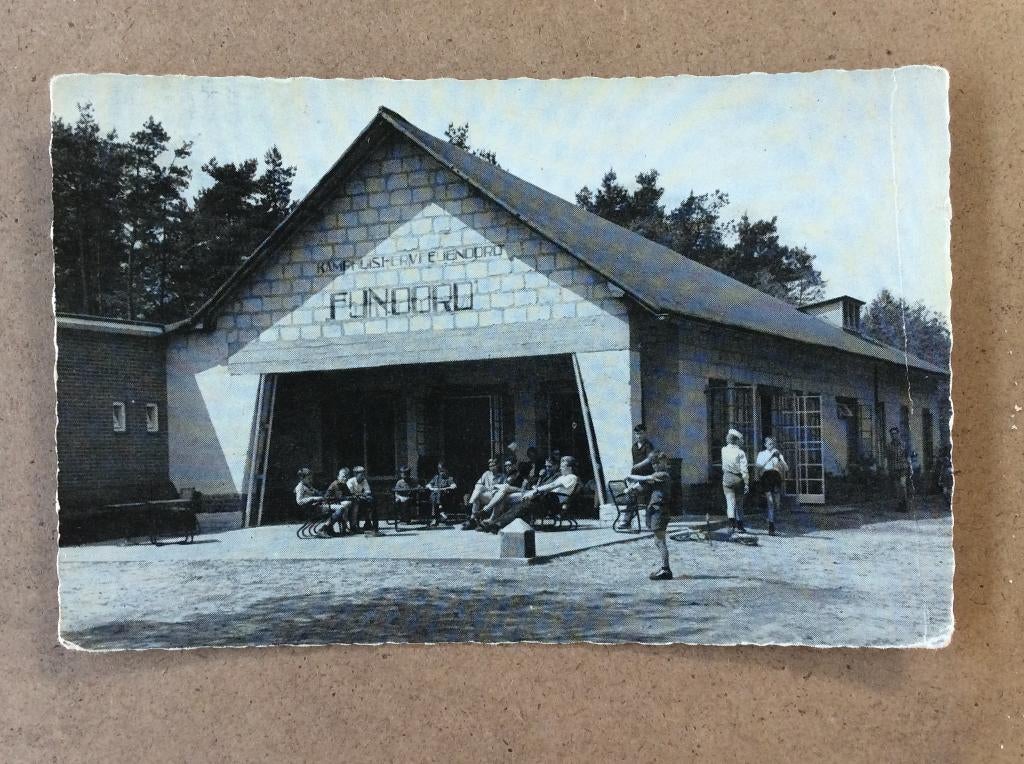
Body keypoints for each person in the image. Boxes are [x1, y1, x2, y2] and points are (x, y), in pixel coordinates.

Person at [479, 455, 580, 533]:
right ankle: (496, 524)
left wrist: (535, 491)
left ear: (570, 468)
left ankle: (496, 524)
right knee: (520, 507)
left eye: (563, 466)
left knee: (522, 507)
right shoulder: (562, 477)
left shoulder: (571, 477)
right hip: (548, 499)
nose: (561, 468)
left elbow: (552, 485)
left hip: (553, 503)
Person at [627, 451, 673, 580]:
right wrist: (632, 489)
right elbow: (644, 486)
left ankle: (666, 570)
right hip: (656, 510)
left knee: (660, 540)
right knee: (658, 541)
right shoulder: (657, 476)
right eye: (653, 463)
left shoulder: (663, 475)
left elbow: (646, 478)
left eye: (657, 463)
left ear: (663, 462)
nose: (655, 466)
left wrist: (630, 476)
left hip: (660, 510)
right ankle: (665, 568)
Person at [617, 423, 655, 530]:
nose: (639, 436)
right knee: (630, 494)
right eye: (637, 434)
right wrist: (632, 476)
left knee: (641, 496)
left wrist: (638, 466)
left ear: (645, 434)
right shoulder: (634, 446)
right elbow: (635, 462)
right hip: (636, 477)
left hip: (647, 479)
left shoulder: (648, 445)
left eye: (641, 433)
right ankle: (626, 521)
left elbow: (649, 460)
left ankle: (648, 523)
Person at [755, 437, 788, 536]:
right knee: (770, 502)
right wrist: (769, 458)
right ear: (765, 445)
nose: (772, 445)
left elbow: (786, 468)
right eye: (769, 444)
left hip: (776, 477)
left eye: (773, 444)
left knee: (777, 503)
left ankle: (771, 519)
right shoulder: (762, 454)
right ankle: (771, 526)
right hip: (766, 477)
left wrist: (779, 459)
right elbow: (758, 467)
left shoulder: (778, 454)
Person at [463, 458, 507, 529]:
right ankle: (473, 519)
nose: (491, 467)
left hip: (496, 496)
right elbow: (479, 483)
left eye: (493, 465)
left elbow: (504, 488)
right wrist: (483, 488)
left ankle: (472, 512)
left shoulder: (502, 476)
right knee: (478, 491)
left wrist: (496, 488)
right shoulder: (486, 474)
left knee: (480, 492)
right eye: (490, 466)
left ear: (497, 466)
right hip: (487, 495)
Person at [721, 428, 750, 533]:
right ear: (737, 440)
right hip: (738, 478)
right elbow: (744, 469)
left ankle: (732, 526)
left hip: (727, 477)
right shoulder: (740, 452)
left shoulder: (723, 450)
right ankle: (740, 526)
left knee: (730, 503)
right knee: (739, 504)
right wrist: (746, 483)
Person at [322, 467, 356, 536]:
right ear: (338, 477)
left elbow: (348, 494)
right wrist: (349, 498)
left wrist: (354, 496)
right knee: (346, 504)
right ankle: (345, 527)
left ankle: (350, 527)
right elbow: (340, 497)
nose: (345, 478)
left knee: (352, 504)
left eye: (346, 476)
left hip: (335, 503)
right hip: (327, 504)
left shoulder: (343, 484)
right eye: (343, 476)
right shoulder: (336, 484)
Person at [885, 427, 911, 511]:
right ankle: (900, 504)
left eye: (895, 433)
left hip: (903, 468)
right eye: (892, 434)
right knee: (897, 488)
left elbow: (907, 456)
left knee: (903, 485)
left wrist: (910, 467)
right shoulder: (889, 446)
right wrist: (887, 468)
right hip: (894, 468)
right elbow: (887, 458)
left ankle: (905, 504)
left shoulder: (903, 444)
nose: (894, 435)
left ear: (898, 434)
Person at [347, 466, 379, 533]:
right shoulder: (350, 481)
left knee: (372, 502)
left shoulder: (364, 480)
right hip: (351, 500)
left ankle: (373, 526)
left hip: (360, 499)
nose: (363, 475)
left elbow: (368, 491)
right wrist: (361, 495)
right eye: (361, 473)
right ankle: (354, 526)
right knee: (357, 504)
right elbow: (350, 493)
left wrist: (361, 495)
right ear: (355, 474)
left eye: (363, 473)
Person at [426, 462, 458, 526]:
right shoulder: (436, 477)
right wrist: (431, 488)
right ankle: (441, 512)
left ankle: (435, 518)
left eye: (442, 470)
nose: (441, 472)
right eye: (439, 470)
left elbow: (454, 486)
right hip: (434, 495)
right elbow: (428, 485)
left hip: (444, 496)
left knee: (437, 495)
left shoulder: (448, 478)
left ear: (446, 470)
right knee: (434, 496)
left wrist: (445, 488)